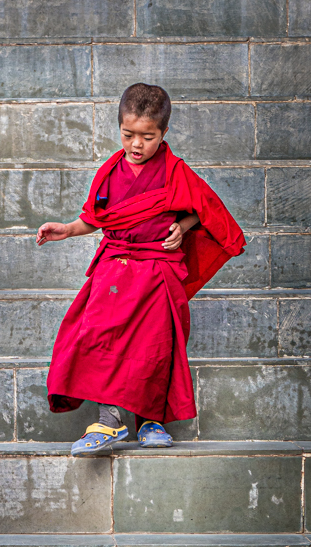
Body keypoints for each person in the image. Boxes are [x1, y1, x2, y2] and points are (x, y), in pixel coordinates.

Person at [36, 83, 245, 454]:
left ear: (163, 134)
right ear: (119, 128)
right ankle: (110, 421)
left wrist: (181, 228)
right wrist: (67, 229)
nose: (136, 145)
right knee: (100, 338)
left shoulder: (176, 171)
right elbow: (95, 218)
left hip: (158, 270)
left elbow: (203, 208)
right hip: (114, 271)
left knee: (154, 345)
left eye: (147, 137)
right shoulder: (109, 172)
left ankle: (150, 420)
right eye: (128, 135)